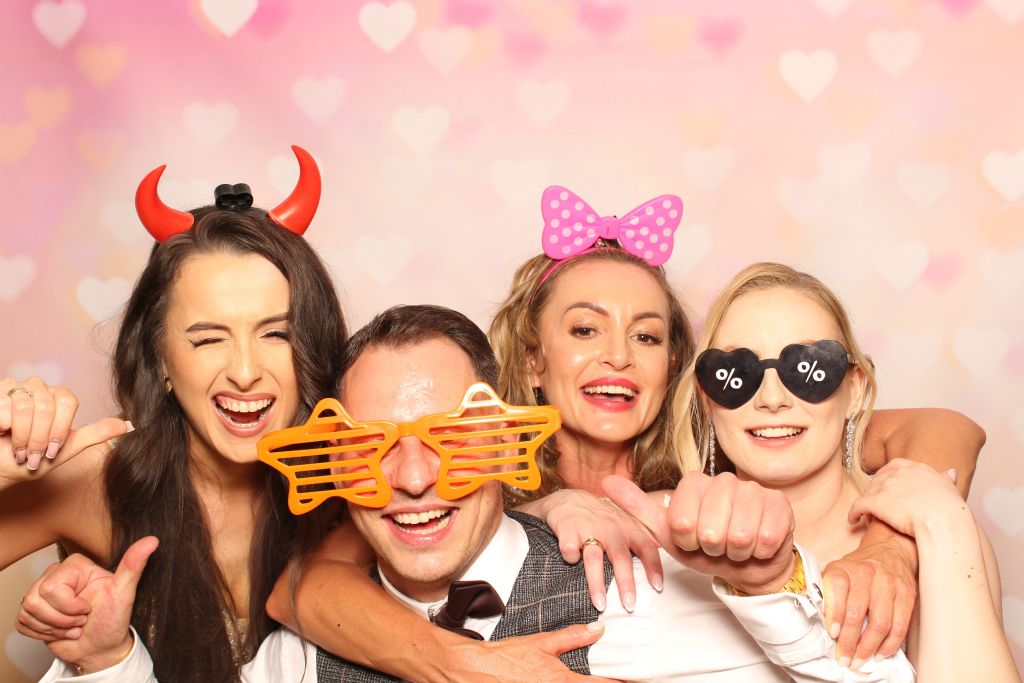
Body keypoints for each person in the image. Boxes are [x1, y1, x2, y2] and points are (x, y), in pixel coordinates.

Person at [264, 186, 985, 674]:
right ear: (532, 361)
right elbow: (307, 586)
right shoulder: (448, 476)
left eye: (646, 336)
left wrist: (895, 543)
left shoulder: (722, 477)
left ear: (676, 367)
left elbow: (942, 430)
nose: (617, 355)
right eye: (585, 329)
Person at [37, 304, 917, 681]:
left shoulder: (631, 580)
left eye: (452, 440)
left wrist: (769, 584)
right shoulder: (300, 656)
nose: (413, 478)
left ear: (505, 440)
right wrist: (107, 660)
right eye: (371, 450)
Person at [2, 147, 347, 681]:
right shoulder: (98, 479)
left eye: (276, 334)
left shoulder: (357, 478)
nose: (245, 372)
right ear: (160, 358)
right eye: (208, 339)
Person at [626, 261, 1009, 674]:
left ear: (855, 390)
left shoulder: (934, 533)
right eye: (737, 372)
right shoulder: (657, 532)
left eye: (807, 369)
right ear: (706, 398)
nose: (772, 399)